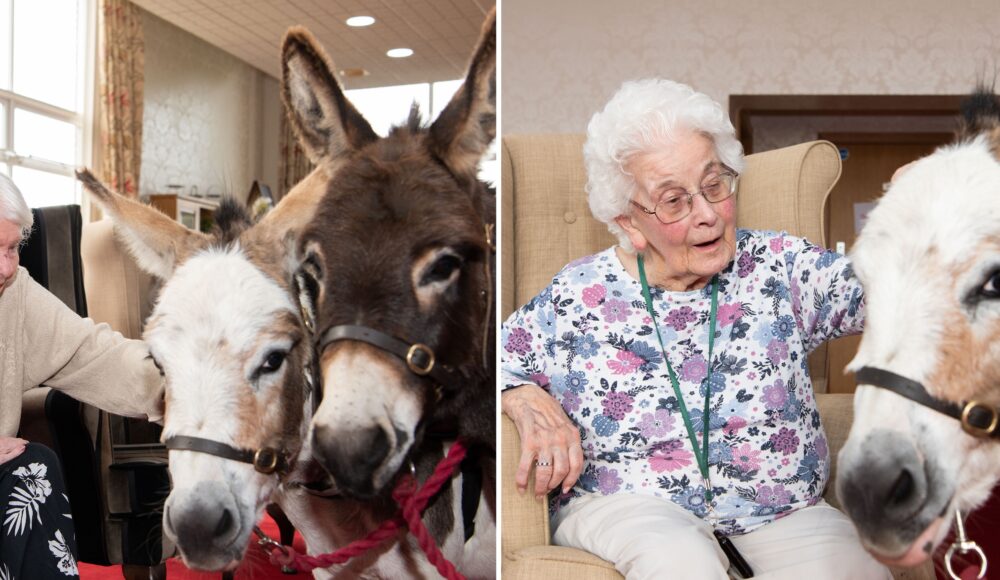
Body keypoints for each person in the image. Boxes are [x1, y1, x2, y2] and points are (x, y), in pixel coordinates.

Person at [500, 79, 889, 579]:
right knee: (681, 561)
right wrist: (522, 396)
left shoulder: (778, 267)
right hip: (628, 508)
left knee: (854, 566)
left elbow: (882, 292)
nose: (707, 215)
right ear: (631, 222)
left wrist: (924, 218)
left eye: (713, 186)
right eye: (674, 201)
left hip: (779, 511)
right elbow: (490, 359)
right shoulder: (578, 295)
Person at [0, 174, 163, 579]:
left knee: (34, 466)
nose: (5, 268)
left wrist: (185, 381)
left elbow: (92, 351)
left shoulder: (14, 290)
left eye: (12, 249)